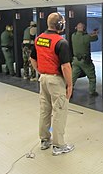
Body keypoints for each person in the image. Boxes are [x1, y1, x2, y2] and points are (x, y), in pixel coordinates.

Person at [30, 12, 74, 156]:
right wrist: (70, 85)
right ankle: (59, 145)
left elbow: (33, 59)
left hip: (43, 79)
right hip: (56, 81)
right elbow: (65, 67)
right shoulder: (61, 42)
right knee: (59, 111)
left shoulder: (38, 39)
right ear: (59, 25)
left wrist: (42, 72)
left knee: (45, 110)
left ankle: (44, 140)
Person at [71, 22, 99, 97]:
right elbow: (95, 38)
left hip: (76, 60)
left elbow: (84, 37)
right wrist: (95, 33)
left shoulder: (73, 36)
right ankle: (92, 92)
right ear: (84, 28)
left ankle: (68, 89)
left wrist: (90, 34)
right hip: (85, 61)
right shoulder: (86, 37)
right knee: (92, 77)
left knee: (73, 77)